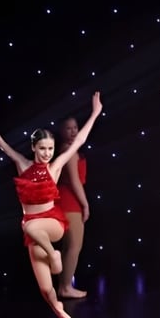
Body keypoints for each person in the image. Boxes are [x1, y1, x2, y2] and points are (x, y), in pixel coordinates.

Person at [0, 91, 102, 318]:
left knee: (29, 226)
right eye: (42, 149)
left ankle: (54, 254)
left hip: (52, 224)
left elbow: (79, 140)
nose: (47, 153)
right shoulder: (22, 165)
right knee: (46, 288)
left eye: (50, 149)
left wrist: (95, 113)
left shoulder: (55, 167)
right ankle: (59, 308)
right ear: (33, 147)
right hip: (34, 233)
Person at [56, 117, 89, 299]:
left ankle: (64, 285)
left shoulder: (69, 150)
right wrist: (85, 204)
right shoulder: (68, 151)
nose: (73, 131)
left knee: (69, 246)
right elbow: (75, 182)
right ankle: (66, 287)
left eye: (75, 127)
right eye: (68, 128)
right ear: (62, 131)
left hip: (68, 200)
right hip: (70, 201)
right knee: (74, 245)